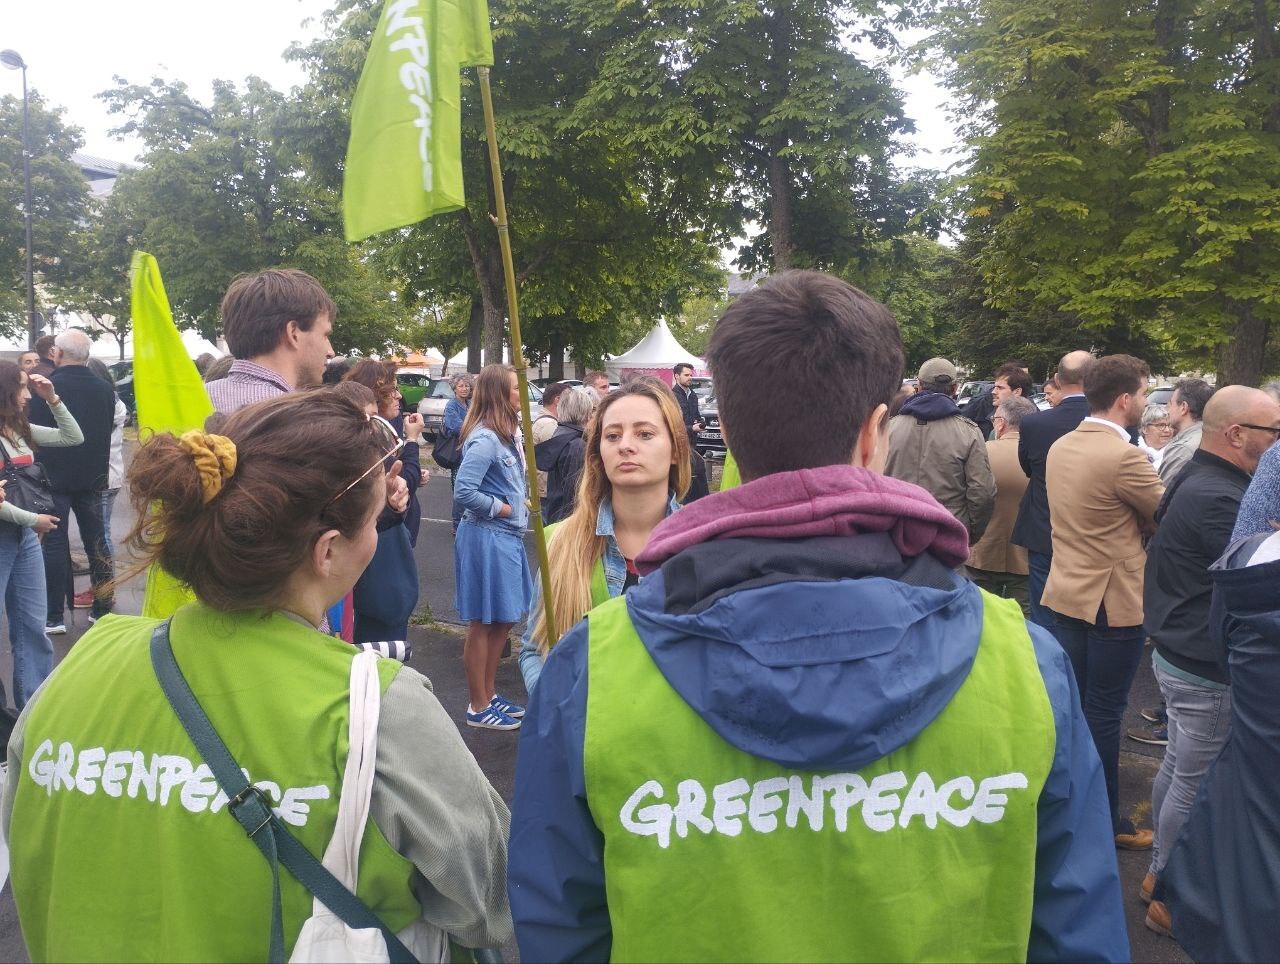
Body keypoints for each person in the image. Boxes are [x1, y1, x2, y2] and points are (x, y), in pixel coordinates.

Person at [508, 270, 1127, 962]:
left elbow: (560, 932)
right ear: (875, 435)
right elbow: (1077, 934)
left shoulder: (593, 670)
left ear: (732, 438)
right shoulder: (1025, 667)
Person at [1, 390, 513, 960]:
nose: (376, 535)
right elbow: (489, 902)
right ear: (327, 551)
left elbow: (24, 834)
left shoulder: (82, 663)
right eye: (373, 521)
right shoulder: (374, 703)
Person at [1139, 386, 1280, 933]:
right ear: (1237, 433)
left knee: (1178, 767)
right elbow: (1250, 587)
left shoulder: (1199, 478)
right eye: (1274, 433)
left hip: (1178, 648)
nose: (1277, 445)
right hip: (1201, 662)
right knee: (1195, 780)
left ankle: (1157, 876)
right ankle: (1168, 892)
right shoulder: (1222, 498)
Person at [1041, 354, 1163, 850]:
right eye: (1144, 392)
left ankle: (1070, 806)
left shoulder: (1060, 446)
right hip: (1112, 601)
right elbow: (1164, 517)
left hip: (1065, 590)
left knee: (1074, 708)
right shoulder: (1126, 457)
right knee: (1106, 715)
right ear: (1125, 399)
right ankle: (1107, 822)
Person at [1154, 517, 1280, 960]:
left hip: (1246, 794)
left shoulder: (1249, 561)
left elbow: (1224, 649)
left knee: (1179, 766)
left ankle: (1159, 881)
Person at [520, 381, 687, 694]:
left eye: (645, 434)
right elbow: (534, 650)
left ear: (676, 449)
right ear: (598, 452)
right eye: (612, 435)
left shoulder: (702, 549)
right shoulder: (559, 542)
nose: (625, 445)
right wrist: (559, 712)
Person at [454, 364, 534, 731]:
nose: (523, 394)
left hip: (506, 537)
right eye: (516, 389)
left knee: (502, 620)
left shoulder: (505, 436)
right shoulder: (486, 439)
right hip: (487, 536)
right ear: (500, 394)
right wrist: (502, 507)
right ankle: (477, 705)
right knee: (484, 622)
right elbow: (463, 490)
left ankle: (488, 694)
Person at [0, 362, 79, 707]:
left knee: (33, 627)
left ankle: (33, 711)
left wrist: (53, 398)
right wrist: (33, 519)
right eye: (20, 387)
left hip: (25, 538)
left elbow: (72, 436)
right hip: (13, 534)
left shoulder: (19, 430)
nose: (26, 395)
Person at [28, 330, 115, 634]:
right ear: (87, 356)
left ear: (57, 354)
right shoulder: (105, 389)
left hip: (53, 476)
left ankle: (54, 616)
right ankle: (103, 607)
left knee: (54, 543)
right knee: (97, 542)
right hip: (92, 475)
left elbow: (36, 432)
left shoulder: (46, 388)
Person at [343, 360, 425, 647]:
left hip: (388, 540)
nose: (400, 396)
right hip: (380, 551)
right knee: (382, 632)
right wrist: (412, 442)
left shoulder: (382, 431)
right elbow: (404, 480)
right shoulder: (371, 436)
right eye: (393, 391)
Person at [1011, 350, 1094, 631]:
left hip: (1044, 524)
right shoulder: (1115, 424)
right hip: (1093, 531)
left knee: (1043, 610)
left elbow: (1028, 469)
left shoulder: (1035, 423)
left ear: (1057, 379)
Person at [885, 357, 996, 544]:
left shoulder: (888, 429)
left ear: (918, 385)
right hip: (948, 530)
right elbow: (982, 491)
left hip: (896, 529)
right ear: (954, 388)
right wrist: (969, 533)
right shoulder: (969, 432)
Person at [205, 268, 336, 416]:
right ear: (294, 333)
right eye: (324, 335)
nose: (331, 352)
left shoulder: (194, 399)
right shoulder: (306, 423)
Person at [968, 396, 1037, 612]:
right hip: (1026, 554)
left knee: (982, 616)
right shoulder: (1042, 454)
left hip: (983, 551)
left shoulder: (982, 451)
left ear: (1000, 423)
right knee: (1021, 621)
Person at [73, 360, 127, 610]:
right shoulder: (114, 401)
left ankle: (105, 590)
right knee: (100, 534)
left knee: (100, 537)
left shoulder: (107, 404)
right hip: (110, 475)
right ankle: (102, 587)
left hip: (104, 476)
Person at [535, 386, 595, 525]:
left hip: (557, 515)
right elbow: (574, 494)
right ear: (586, 414)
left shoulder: (561, 435)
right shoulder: (577, 445)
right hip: (570, 523)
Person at [1158, 378, 1215, 484]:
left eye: (1170, 403)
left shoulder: (1183, 450)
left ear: (1183, 407)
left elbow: (1162, 495)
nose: (1167, 408)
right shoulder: (1211, 437)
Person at [672, 362, 709, 503]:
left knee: (696, 477)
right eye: (686, 375)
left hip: (693, 443)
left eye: (691, 375)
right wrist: (691, 428)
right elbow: (673, 424)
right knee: (683, 480)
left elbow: (696, 416)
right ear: (676, 376)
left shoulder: (692, 395)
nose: (690, 378)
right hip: (678, 445)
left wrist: (700, 423)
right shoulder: (672, 396)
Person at [443, 372, 474, 533]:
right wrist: (474, 426)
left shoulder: (470, 403)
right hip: (457, 453)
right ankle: (457, 524)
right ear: (454, 388)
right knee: (460, 488)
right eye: (461, 386)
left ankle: (468, 521)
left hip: (470, 451)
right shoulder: (452, 405)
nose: (464, 389)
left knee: (470, 487)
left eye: (467, 386)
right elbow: (454, 427)